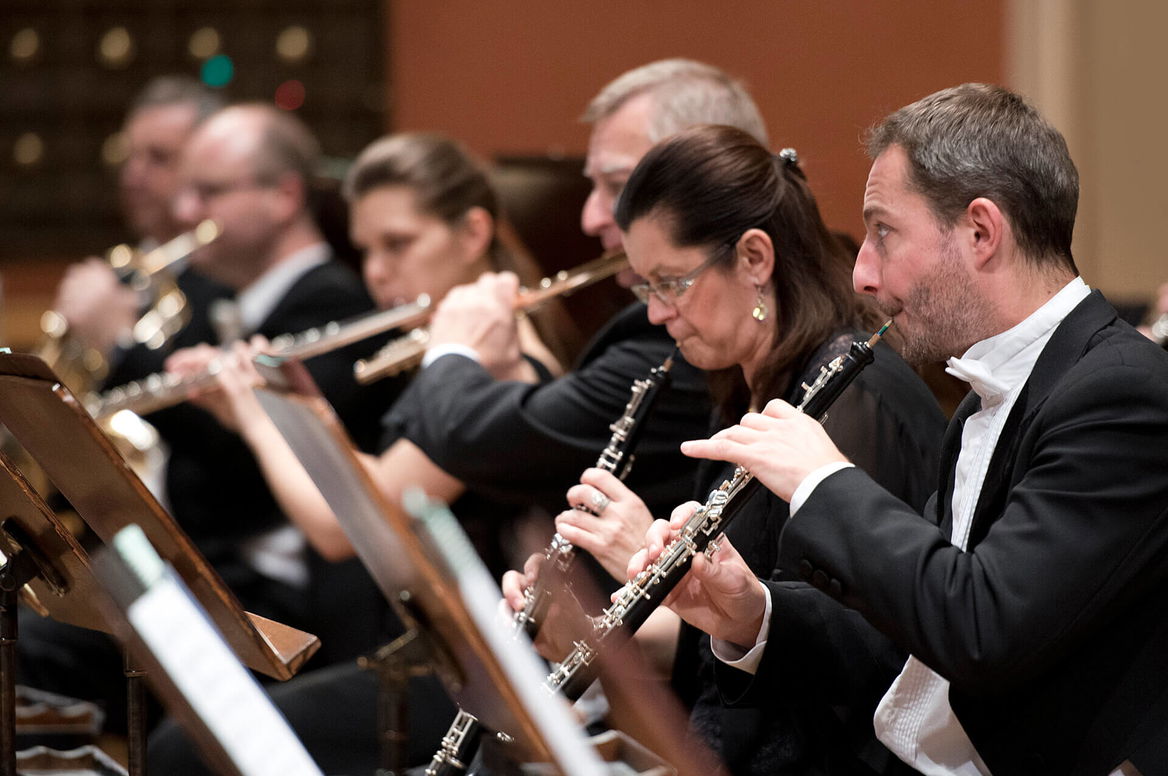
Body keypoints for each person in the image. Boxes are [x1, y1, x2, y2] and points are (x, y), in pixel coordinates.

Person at [655, 84, 1168, 775]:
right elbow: (912, 636)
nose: (862, 272)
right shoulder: (990, 396)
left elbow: (983, 627)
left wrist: (822, 479)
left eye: (883, 231)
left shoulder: (1121, 394)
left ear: (981, 233)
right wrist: (751, 612)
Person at [504, 124, 945, 775]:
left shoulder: (853, 399)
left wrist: (663, 569)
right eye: (643, 287)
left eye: (671, 283)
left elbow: (866, 664)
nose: (655, 313)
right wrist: (597, 636)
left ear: (755, 259)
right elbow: (736, 645)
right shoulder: (744, 387)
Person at [148, 131, 566, 775]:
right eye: (367, 249)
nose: (376, 272)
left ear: (473, 233)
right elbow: (377, 483)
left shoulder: (497, 361)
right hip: (445, 654)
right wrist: (266, 407)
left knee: (190, 748)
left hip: (499, 680)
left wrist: (264, 417)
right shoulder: (450, 355)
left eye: (399, 245)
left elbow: (349, 526)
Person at [50, 75, 230, 382]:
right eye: (129, 156)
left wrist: (119, 340)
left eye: (158, 158)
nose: (132, 174)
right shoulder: (120, 275)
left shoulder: (228, 280)